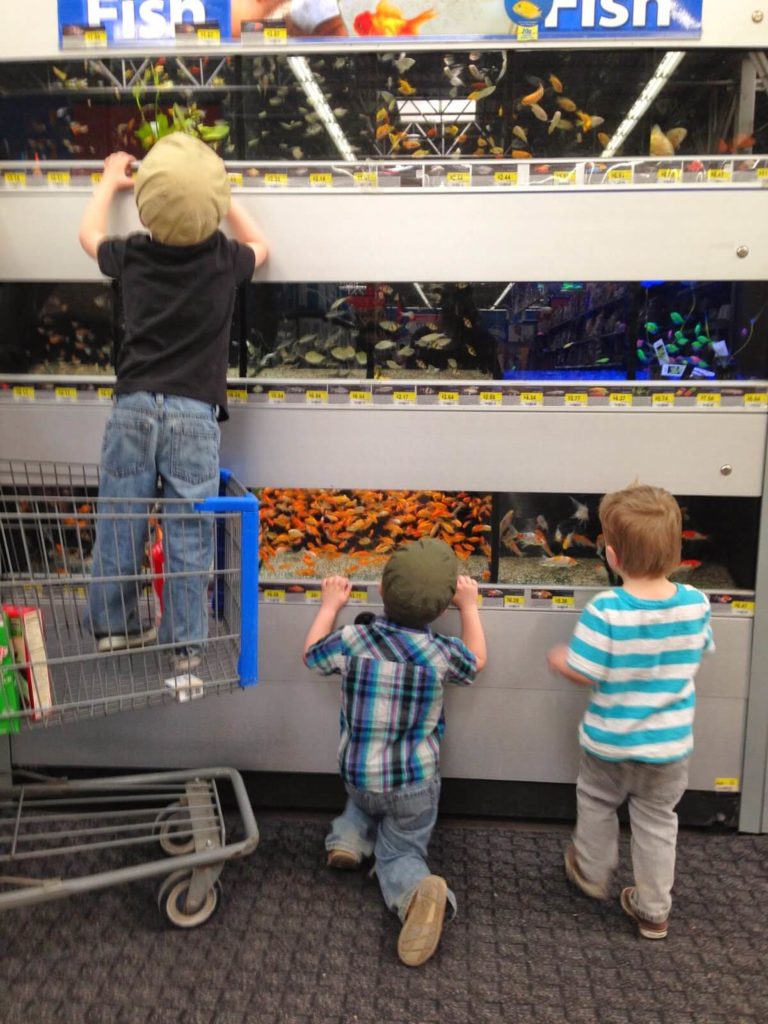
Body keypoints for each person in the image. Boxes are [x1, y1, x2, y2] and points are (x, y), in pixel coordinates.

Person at [78, 134, 268, 671]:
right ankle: (185, 646)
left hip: (134, 407)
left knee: (121, 517)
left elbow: (89, 234)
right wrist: (224, 196)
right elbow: (265, 247)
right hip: (193, 415)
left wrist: (109, 180)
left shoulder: (133, 254)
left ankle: (113, 627)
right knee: (188, 529)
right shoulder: (224, 259)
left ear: (146, 203)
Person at [303, 538, 487, 967]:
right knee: (400, 849)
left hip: (357, 776)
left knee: (362, 803)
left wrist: (330, 606)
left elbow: (311, 655)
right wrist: (472, 608)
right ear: (444, 611)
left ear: (381, 592)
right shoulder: (442, 653)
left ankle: (348, 839)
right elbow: (476, 660)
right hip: (413, 786)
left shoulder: (353, 638)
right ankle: (415, 893)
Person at [547, 483, 714, 940]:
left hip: (611, 744)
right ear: (680, 551)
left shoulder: (607, 609)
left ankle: (593, 867)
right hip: (668, 749)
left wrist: (561, 659)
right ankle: (654, 910)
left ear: (612, 556)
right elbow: (701, 650)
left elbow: (585, 670)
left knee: (598, 802)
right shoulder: (697, 604)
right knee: (658, 824)